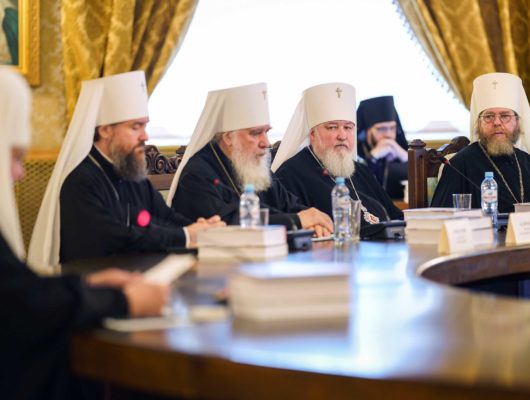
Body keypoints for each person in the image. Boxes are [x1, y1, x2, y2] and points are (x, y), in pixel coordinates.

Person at [0, 67, 169, 399]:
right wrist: (124, 301)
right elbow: (23, 308)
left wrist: (87, 285)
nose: (20, 173)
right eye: (16, 156)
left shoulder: (133, 175)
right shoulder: (82, 181)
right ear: (105, 130)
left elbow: (18, 288)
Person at [28, 71, 224, 273]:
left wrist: (202, 229)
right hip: (94, 281)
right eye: (135, 127)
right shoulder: (80, 181)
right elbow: (114, 238)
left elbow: (165, 216)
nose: (145, 136)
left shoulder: (131, 171)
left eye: (145, 126)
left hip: (139, 272)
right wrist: (186, 235)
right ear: (105, 130)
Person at [169, 83, 333, 238]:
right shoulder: (197, 175)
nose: (266, 143)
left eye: (266, 132)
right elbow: (228, 224)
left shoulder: (254, 167)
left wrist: (314, 221)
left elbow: (289, 205)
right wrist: (296, 221)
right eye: (256, 133)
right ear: (228, 138)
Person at [272, 83, 403, 226]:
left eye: (348, 127)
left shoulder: (361, 171)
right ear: (313, 134)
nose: (342, 136)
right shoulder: (290, 175)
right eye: (332, 127)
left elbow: (395, 215)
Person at [430, 72, 530, 213]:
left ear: (517, 122)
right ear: (478, 123)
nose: (497, 122)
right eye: (488, 116)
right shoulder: (459, 165)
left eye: (505, 116)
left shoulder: (528, 163)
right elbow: (439, 218)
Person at [356, 96, 408, 200]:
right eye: (381, 129)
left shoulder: (399, 148)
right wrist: (372, 157)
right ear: (367, 131)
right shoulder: (356, 151)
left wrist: (405, 156)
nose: (388, 134)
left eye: (392, 128)